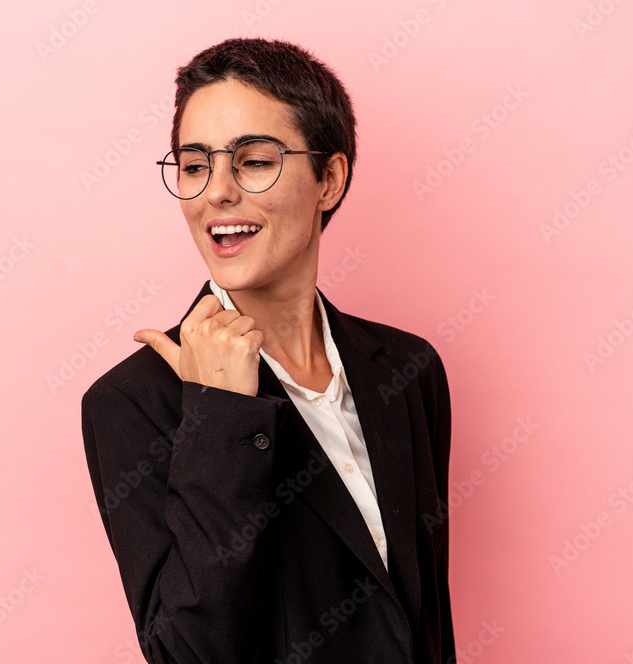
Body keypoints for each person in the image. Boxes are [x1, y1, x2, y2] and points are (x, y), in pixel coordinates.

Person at [81, 37, 454, 664]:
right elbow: (189, 653)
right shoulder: (132, 403)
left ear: (329, 180)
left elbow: (427, 615)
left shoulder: (409, 369)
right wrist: (220, 416)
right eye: (194, 166)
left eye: (253, 161)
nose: (217, 192)